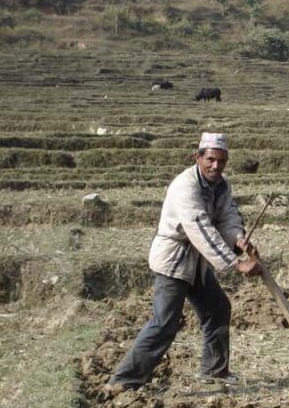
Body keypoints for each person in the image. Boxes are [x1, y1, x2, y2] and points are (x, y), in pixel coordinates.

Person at [105, 132, 262, 394]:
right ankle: (124, 381)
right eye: (210, 159)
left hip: (197, 262)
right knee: (166, 322)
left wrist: (238, 239)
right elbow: (200, 228)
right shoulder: (185, 186)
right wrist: (236, 263)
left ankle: (214, 371)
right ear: (198, 157)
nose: (216, 166)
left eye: (221, 161)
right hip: (174, 260)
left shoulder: (221, 185)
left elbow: (227, 216)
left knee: (217, 308)